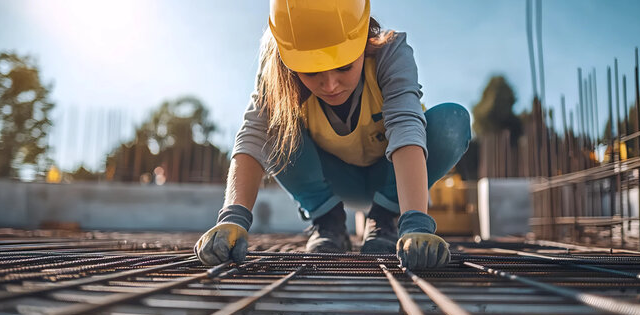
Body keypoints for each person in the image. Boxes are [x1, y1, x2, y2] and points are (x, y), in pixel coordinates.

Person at [194, 0, 470, 269]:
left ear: (363, 40)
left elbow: (406, 126)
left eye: (344, 66)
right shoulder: (278, 68)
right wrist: (232, 218)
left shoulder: (391, 52)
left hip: (393, 179)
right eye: (312, 72)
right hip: (333, 182)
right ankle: (328, 222)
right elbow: (253, 135)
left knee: (451, 123)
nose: (330, 85)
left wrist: (415, 222)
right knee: (271, 126)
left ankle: (384, 219)